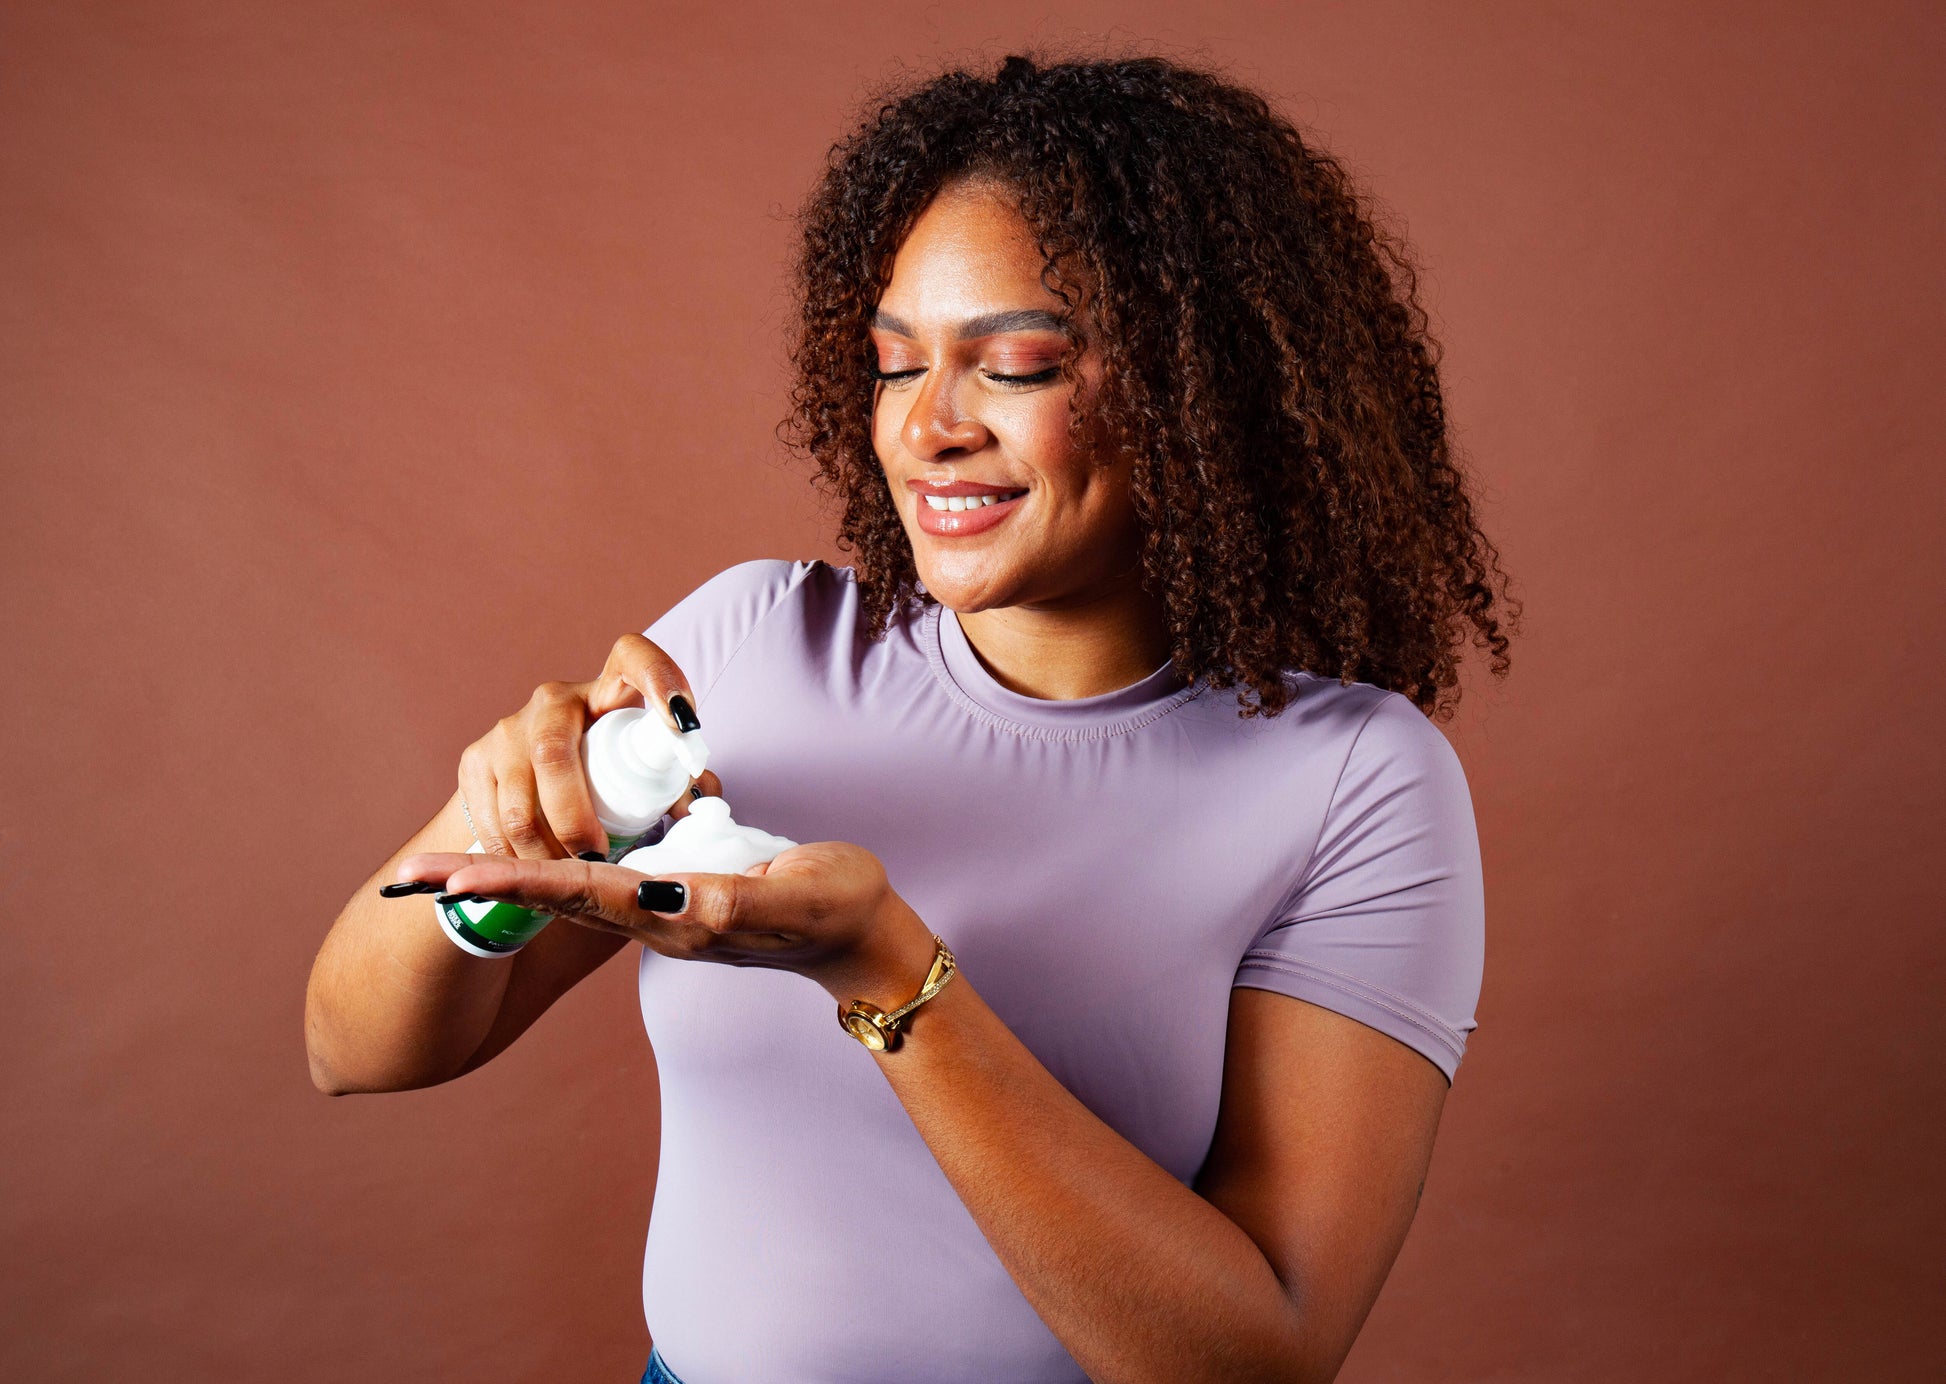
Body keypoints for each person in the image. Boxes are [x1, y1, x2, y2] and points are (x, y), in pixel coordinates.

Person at [305, 52, 1518, 1384]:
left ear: (1198, 385)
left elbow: (1255, 1357)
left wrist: (888, 976)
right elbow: (352, 1052)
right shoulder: (747, 650)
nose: (927, 427)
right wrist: (501, 842)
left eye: (1014, 368)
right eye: (894, 367)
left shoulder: (1352, 781)